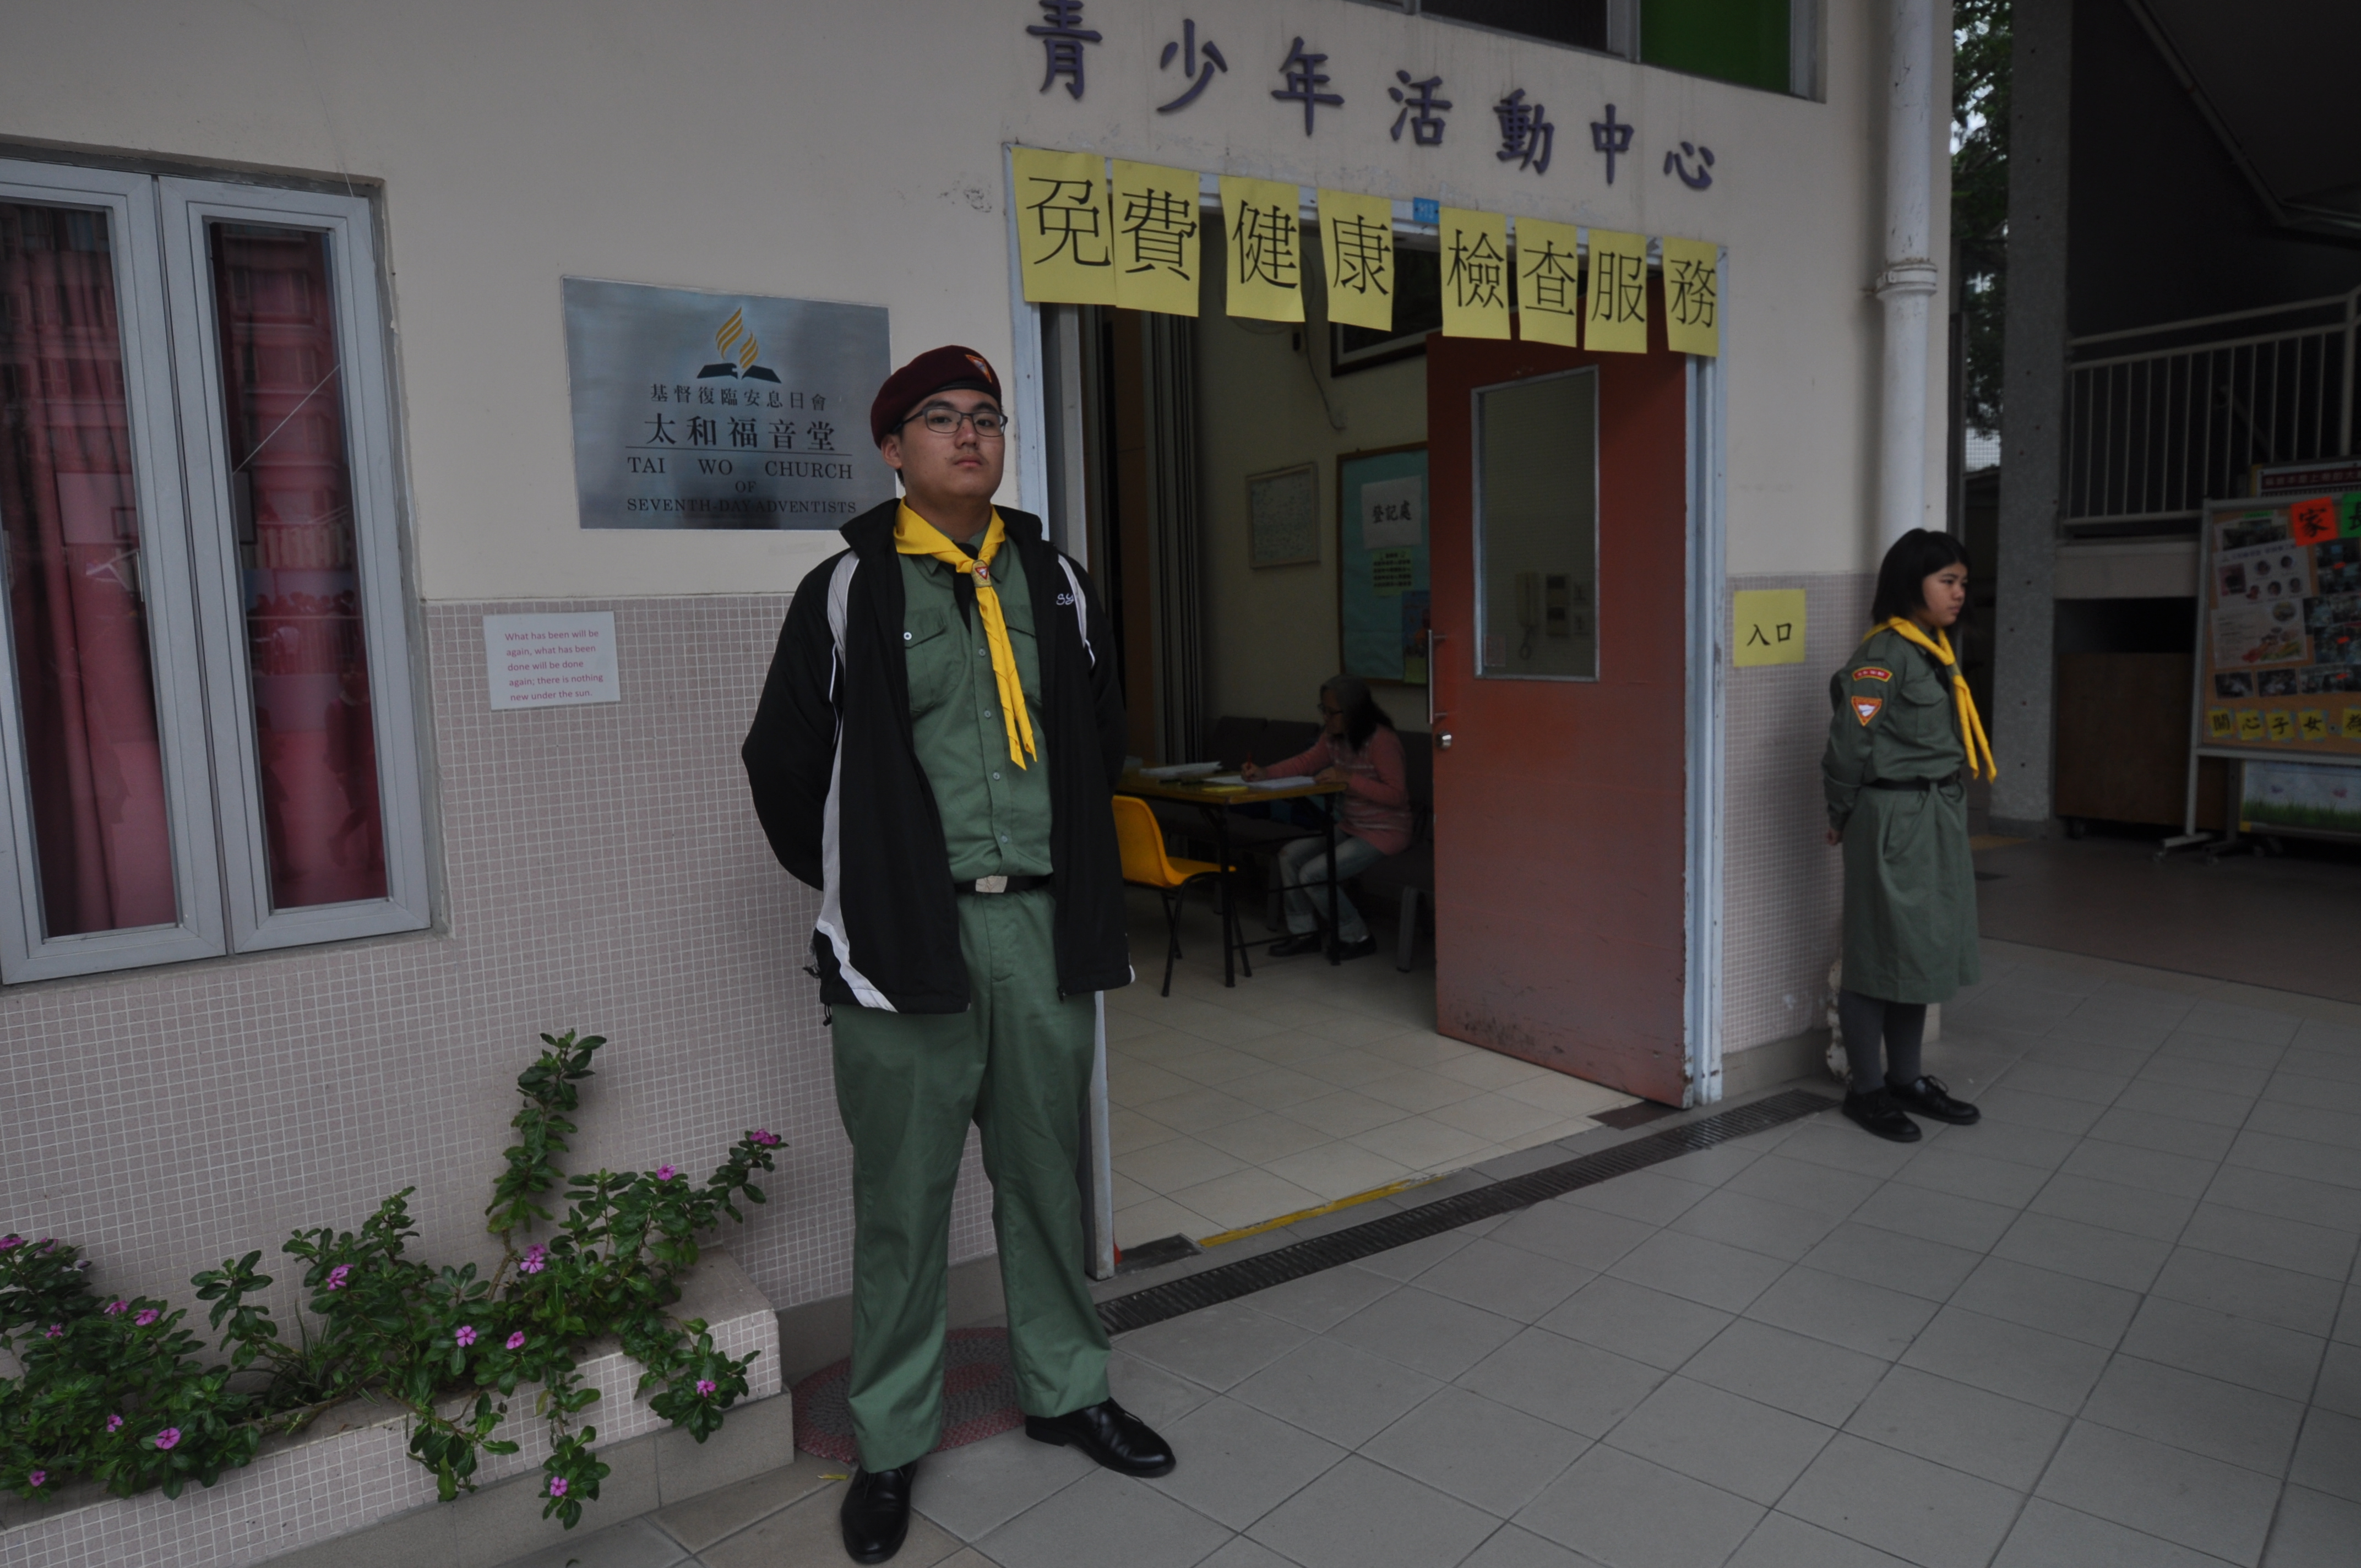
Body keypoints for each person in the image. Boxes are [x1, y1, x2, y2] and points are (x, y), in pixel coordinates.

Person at [741, 346, 1175, 1565]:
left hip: (1039, 927)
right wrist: (866, 880)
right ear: (893, 449)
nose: (968, 434)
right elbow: (784, 764)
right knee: (903, 1199)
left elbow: (1100, 736)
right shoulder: (847, 589)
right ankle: (888, 1440)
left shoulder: (1057, 582)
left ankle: (1066, 1387)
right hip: (903, 940)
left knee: (1046, 1175)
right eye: (938, 418)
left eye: (985, 416)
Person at [1821, 528, 1996, 1142]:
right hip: (1893, 815)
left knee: (1918, 950)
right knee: (1876, 954)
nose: (1959, 593)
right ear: (1910, 583)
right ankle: (1866, 1090)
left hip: (1936, 810)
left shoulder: (1934, 648)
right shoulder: (1884, 655)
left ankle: (1905, 1079)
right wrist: (1841, 813)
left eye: (1963, 582)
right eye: (1947, 581)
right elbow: (1847, 746)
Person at [1242, 674, 1412, 961]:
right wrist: (1265, 773)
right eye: (1323, 710)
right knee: (1289, 856)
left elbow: (1397, 795)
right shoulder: (1333, 737)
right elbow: (1306, 762)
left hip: (1385, 831)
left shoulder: (1382, 740)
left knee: (1314, 874)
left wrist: (1349, 779)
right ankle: (1304, 934)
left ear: (1354, 712)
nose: (1326, 718)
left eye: (1332, 712)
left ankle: (1357, 936)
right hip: (1351, 826)